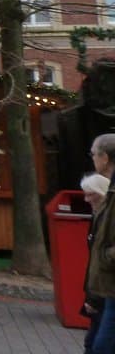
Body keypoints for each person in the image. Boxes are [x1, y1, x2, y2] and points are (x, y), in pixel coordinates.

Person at [87, 134, 115, 354]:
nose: (93, 158)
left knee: (101, 348)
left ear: (105, 157)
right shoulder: (111, 190)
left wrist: (105, 256)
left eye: (94, 154)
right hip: (107, 288)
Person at [83, 172, 110, 354]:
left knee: (98, 344)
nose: (86, 199)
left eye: (91, 194)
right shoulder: (97, 217)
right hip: (98, 290)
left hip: (105, 291)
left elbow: (100, 260)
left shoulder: (106, 220)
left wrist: (94, 298)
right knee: (92, 341)